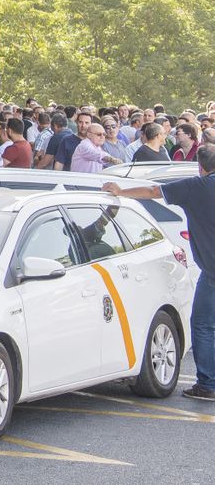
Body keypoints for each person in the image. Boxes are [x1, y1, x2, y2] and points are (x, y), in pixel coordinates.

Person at [107, 144, 215, 400]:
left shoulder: (196, 187)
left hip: (212, 272)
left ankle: (208, 384)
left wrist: (120, 191)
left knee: (203, 325)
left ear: (200, 167)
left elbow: (154, 190)